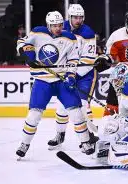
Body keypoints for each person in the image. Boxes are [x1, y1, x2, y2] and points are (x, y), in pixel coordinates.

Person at [15, 11, 95, 158]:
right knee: (34, 115)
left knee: (76, 113)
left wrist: (71, 75)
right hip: (42, 81)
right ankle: (24, 144)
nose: (57, 28)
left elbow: (73, 60)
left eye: (59, 25)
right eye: (54, 25)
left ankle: (85, 142)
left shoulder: (69, 38)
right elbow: (21, 43)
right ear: (48, 25)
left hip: (62, 80)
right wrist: (26, 51)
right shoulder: (38, 33)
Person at [47, 4, 99, 150]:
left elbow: (88, 61)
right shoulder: (60, 27)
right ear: (69, 17)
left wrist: (72, 75)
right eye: (75, 17)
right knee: (62, 106)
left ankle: (89, 137)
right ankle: (59, 135)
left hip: (85, 74)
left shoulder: (88, 32)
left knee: (82, 106)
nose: (78, 20)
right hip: (68, 74)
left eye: (80, 17)